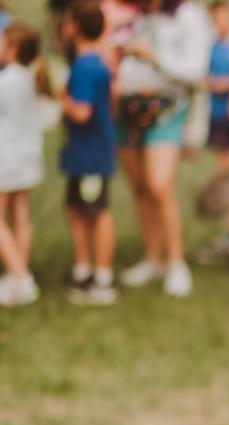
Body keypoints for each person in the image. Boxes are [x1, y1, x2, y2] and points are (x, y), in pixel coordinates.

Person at [116, 0, 212, 298]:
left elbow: (195, 71)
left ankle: (176, 264)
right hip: (128, 107)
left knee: (160, 186)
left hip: (167, 108)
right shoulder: (135, 14)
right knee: (140, 186)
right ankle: (152, 258)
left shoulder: (189, 15)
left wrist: (154, 57)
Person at [60, 1, 118, 306]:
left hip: (90, 153)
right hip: (89, 151)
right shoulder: (98, 61)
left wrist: (58, 100)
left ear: (74, 27)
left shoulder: (84, 66)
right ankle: (84, 269)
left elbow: (82, 112)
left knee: (97, 211)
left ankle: (103, 278)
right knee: (76, 208)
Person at [0, 23, 50, 306]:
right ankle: (17, 274)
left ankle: (20, 278)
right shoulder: (34, 80)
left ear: (13, 49)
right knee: (20, 215)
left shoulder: (5, 82)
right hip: (29, 158)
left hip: (6, 160)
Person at [206, 0, 229, 180]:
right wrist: (214, 83)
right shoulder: (210, 48)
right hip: (218, 111)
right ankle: (223, 189)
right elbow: (203, 77)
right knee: (223, 153)